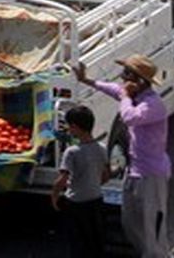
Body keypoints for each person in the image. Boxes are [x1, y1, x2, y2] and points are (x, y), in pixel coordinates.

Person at [75, 56, 172, 258]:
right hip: (134, 170)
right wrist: (87, 80)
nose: (122, 78)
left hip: (151, 175)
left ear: (140, 81)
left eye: (127, 74)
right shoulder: (132, 96)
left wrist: (126, 96)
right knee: (131, 222)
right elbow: (112, 89)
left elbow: (129, 117)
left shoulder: (152, 105)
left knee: (149, 225)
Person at [52, 105, 109, 258]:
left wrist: (54, 196)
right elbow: (105, 174)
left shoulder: (72, 152)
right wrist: (95, 185)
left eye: (69, 126)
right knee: (96, 240)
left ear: (75, 127)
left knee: (77, 242)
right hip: (96, 199)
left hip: (76, 203)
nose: (68, 130)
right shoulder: (102, 148)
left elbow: (62, 179)